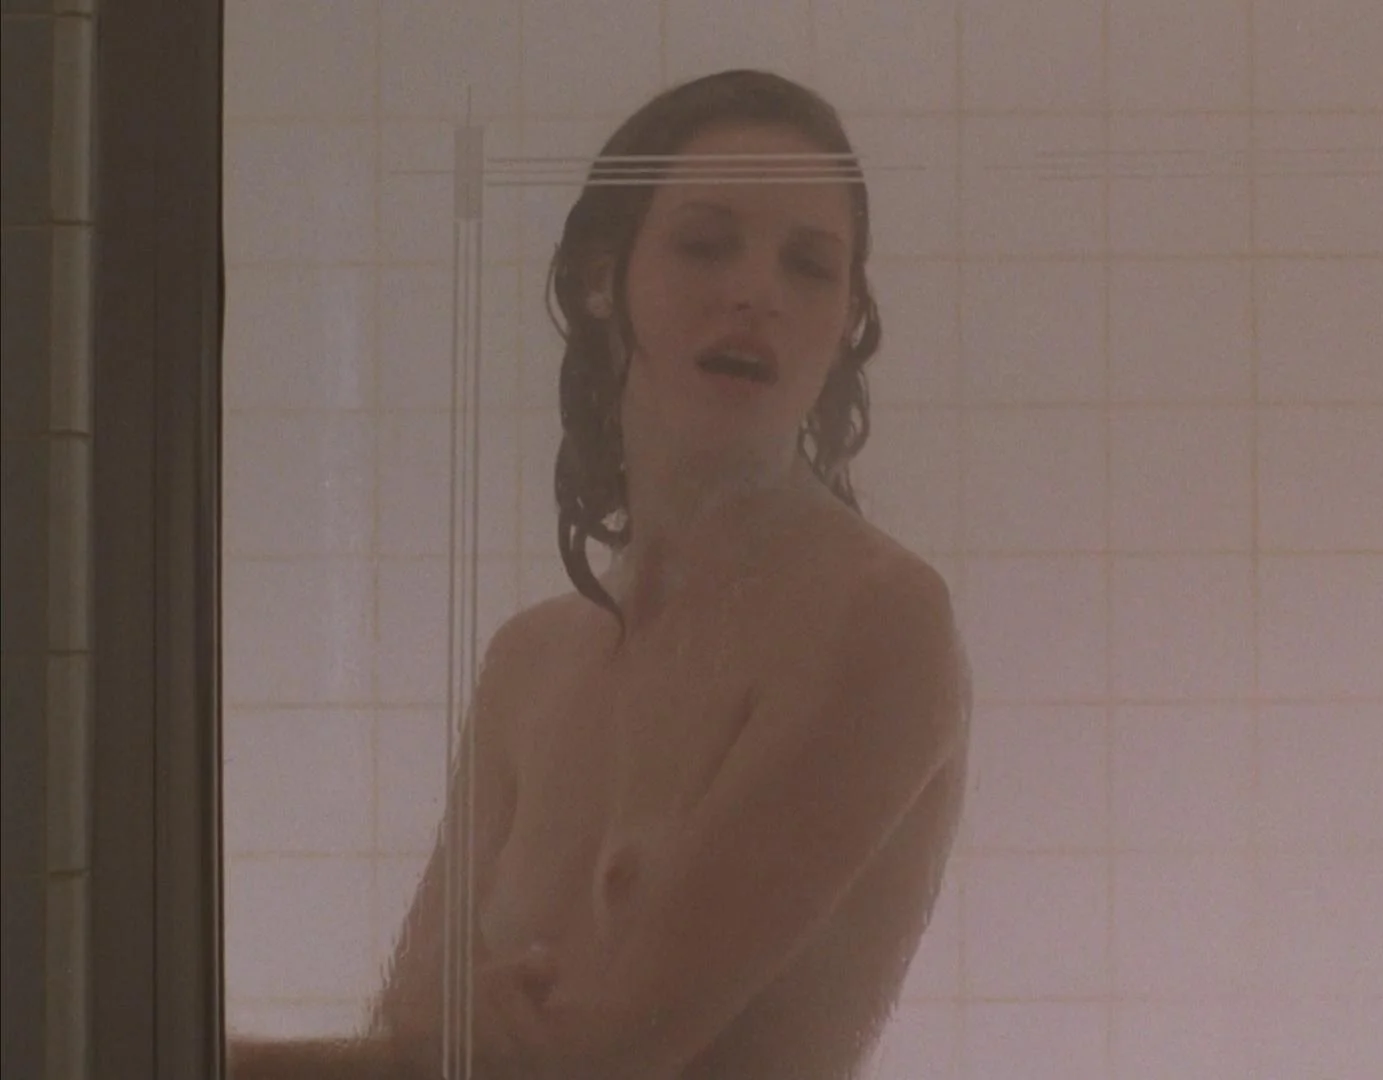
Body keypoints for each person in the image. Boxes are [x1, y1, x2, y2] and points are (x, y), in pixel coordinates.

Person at [227, 68, 971, 1080]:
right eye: (706, 244)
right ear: (598, 277)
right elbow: (414, 1032)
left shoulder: (875, 617)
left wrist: (149, 1044)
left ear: (845, 321)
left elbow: (606, 1057)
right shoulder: (531, 662)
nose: (756, 292)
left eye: (808, 266)